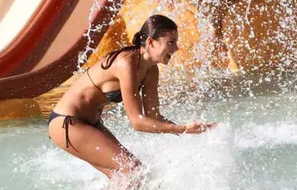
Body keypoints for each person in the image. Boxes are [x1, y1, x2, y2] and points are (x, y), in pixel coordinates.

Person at [48, 14, 217, 180]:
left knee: (124, 179)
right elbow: (137, 122)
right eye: (171, 42)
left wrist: (189, 133)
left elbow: (153, 116)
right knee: (134, 171)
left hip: (91, 125)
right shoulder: (126, 63)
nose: (176, 48)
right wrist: (183, 129)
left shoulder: (151, 70)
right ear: (151, 42)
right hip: (67, 123)